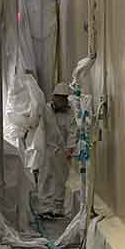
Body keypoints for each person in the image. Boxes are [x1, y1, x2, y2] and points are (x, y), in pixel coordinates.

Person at [35, 82, 75, 217]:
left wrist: (70, 148)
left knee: (60, 179)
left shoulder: (70, 114)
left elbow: (72, 131)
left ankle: (58, 207)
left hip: (61, 151)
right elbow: (39, 127)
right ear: (54, 97)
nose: (61, 101)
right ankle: (44, 207)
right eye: (59, 98)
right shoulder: (46, 110)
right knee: (45, 177)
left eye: (64, 98)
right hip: (46, 149)